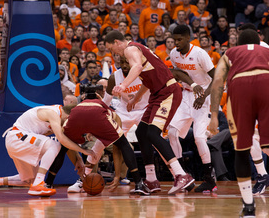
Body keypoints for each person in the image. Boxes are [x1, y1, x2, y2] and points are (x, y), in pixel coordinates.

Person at [104, 30, 195, 195]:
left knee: (153, 133)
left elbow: (138, 68)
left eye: (112, 49)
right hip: (157, 94)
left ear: (117, 42)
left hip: (168, 91)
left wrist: (123, 85)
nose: (113, 53)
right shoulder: (138, 49)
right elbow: (146, 78)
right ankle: (151, 180)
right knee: (142, 132)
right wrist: (135, 99)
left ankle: (182, 175)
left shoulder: (130, 49)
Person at [209, 29, 269, 217]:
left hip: (241, 86)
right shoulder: (267, 51)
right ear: (259, 44)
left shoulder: (230, 53)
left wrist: (212, 116)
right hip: (266, 82)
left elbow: (218, 80)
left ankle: (249, 206)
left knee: (242, 149)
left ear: (238, 44)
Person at [0, 103, 94, 197]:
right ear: (69, 117)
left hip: (19, 141)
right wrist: (84, 151)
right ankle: (39, 183)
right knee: (53, 145)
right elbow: (61, 139)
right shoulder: (53, 113)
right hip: (18, 136)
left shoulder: (61, 120)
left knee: (28, 180)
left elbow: (67, 144)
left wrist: (78, 159)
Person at [168, 25, 217, 193]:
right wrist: (191, 85)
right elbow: (178, 74)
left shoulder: (200, 54)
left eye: (179, 39)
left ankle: (210, 179)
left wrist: (203, 96)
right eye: (174, 40)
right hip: (186, 94)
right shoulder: (174, 54)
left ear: (188, 38)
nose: (176, 43)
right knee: (172, 132)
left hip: (204, 95)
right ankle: (182, 175)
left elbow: (216, 78)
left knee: (199, 138)